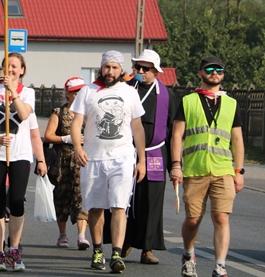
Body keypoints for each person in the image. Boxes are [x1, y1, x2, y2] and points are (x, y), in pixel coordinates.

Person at [70, 50, 146, 274]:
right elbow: (77, 123)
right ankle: (97, 250)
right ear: (101, 68)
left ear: (121, 70)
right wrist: (77, 148)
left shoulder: (130, 93)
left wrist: (142, 159)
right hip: (93, 158)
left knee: (119, 206)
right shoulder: (88, 91)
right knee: (95, 207)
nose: (110, 71)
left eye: (114, 67)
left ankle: (116, 254)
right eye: (107, 67)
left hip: (122, 158)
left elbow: (137, 127)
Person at [170, 56, 244, 277]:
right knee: (193, 219)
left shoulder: (231, 103)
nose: (215, 73)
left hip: (223, 169)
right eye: (210, 69)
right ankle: (188, 255)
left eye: (219, 70)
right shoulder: (188, 101)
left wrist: (239, 171)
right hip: (195, 169)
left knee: (221, 217)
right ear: (200, 73)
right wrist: (176, 165)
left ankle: (220, 266)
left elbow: (237, 139)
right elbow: (177, 135)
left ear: (223, 74)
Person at [0, 53, 47, 271]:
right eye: (7, 66)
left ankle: (14, 249)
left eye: (15, 66)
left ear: (22, 70)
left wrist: (12, 92)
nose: (10, 70)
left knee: (17, 201)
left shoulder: (28, 92)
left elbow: (24, 115)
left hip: (20, 154)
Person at [120, 50, 175, 264]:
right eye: (138, 67)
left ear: (156, 71)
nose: (141, 71)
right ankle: (124, 240)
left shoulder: (167, 95)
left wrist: (175, 165)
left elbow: (173, 131)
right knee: (124, 199)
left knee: (151, 201)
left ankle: (147, 248)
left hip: (155, 152)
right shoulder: (125, 90)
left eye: (146, 68)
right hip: (126, 151)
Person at [43, 77, 90, 251]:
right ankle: (62, 234)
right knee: (61, 197)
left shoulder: (88, 113)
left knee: (82, 197)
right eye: (75, 92)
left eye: (81, 92)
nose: (78, 95)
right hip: (63, 161)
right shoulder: (59, 113)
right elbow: (48, 136)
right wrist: (66, 138)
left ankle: (82, 235)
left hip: (83, 161)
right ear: (68, 94)